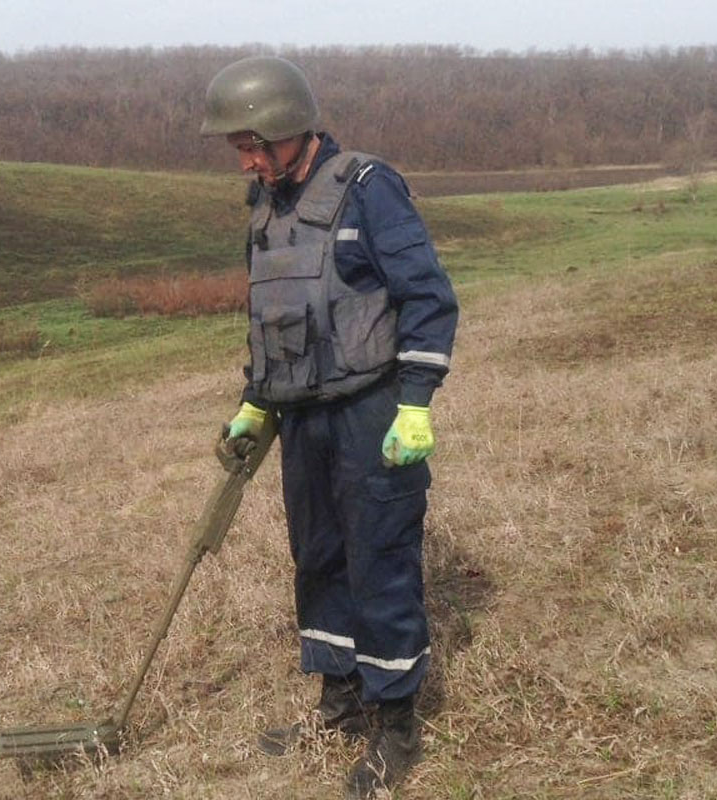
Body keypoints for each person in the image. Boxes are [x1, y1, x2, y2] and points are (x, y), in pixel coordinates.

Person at [200, 55, 459, 799]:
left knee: (379, 559)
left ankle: (396, 724)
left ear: (292, 128)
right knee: (318, 558)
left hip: (372, 412)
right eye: (237, 148)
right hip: (300, 418)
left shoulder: (370, 189)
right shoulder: (267, 204)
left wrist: (417, 401)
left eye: (254, 143)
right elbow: (273, 318)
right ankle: (340, 701)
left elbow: (428, 297)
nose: (246, 160)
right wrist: (256, 401)